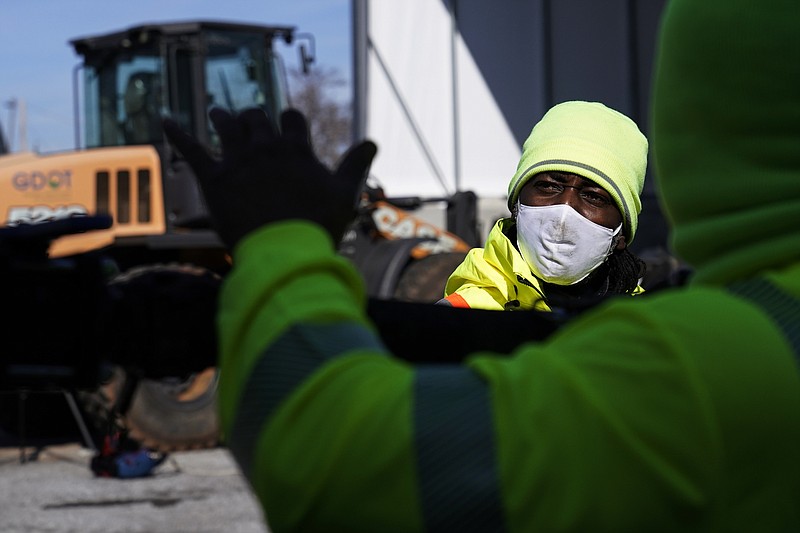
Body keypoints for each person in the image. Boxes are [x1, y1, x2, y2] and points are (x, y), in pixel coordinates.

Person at [163, 0, 800, 529]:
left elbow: (338, 463)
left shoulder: (707, 362)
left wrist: (277, 242)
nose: (563, 216)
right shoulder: (742, 329)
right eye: (546, 188)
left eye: (594, 196)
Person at [440, 100, 648, 313]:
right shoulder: (462, 316)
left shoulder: (645, 326)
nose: (565, 211)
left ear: (620, 235)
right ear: (516, 206)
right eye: (549, 186)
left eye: (593, 197)